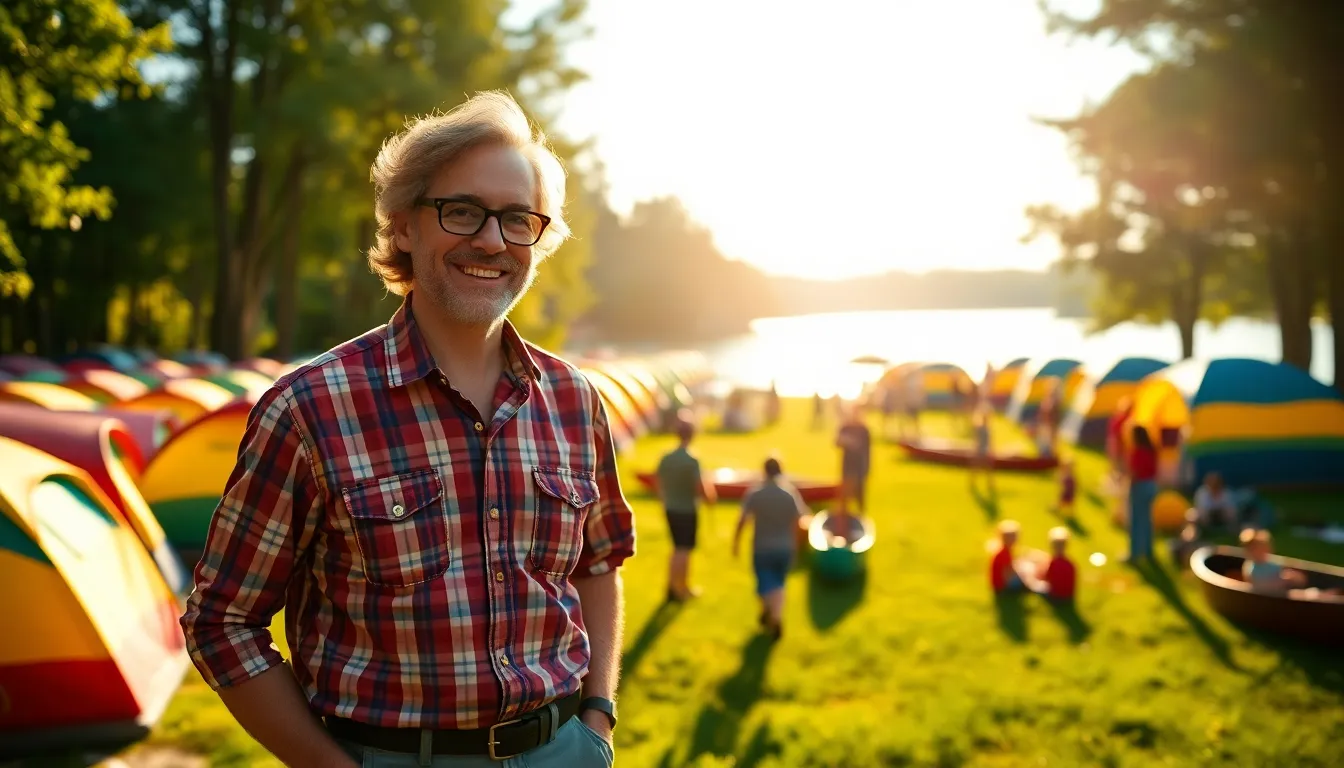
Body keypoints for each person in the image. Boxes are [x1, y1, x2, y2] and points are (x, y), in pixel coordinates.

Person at [180, 92, 632, 768]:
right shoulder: (309, 409)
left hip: (563, 749)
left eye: (517, 219)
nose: (491, 240)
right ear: (403, 227)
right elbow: (221, 623)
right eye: (462, 211)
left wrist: (597, 718)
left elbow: (598, 563)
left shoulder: (574, 400)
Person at [732, 457, 811, 640]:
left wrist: (736, 543)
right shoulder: (789, 493)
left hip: (762, 547)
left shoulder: (755, 493)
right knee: (778, 583)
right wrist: (798, 545)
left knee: (765, 583)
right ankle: (772, 613)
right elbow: (799, 520)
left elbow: (743, 520)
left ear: (764, 471)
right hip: (784, 547)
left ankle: (772, 614)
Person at [656, 418, 717, 601]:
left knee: (676, 548)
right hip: (687, 509)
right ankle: (680, 588)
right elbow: (700, 487)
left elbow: (658, 481)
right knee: (684, 550)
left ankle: (672, 585)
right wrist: (710, 498)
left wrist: (664, 500)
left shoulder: (667, 457)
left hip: (670, 508)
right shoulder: (692, 460)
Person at [1126, 424, 1159, 563]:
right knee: (1147, 520)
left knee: (1136, 520)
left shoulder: (1138, 451)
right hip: (1151, 485)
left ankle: (1134, 553)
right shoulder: (1152, 450)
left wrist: (1129, 487)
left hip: (1140, 486)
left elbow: (1135, 472)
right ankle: (1148, 551)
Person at [835, 404, 872, 515]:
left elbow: (867, 450)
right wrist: (847, 442)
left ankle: (861, 517)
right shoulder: (845, 427)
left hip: (859, 466)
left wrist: (867, 467)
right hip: (847, 465)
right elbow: (837, 442)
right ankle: (844, 518)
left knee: (860, 494)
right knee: (845, 494)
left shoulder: (863, 430)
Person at [1036, 527, 1076, 602]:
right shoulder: (1070, 563)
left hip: (1055, 595)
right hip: (1068, 595)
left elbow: (1044, 577)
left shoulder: (1053, 563)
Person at [989, 519, 1025, 593]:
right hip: (1001, 584)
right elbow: (1008, 573)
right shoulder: (1004, 554)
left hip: (998, 582)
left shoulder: (1004, 550)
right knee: (1026, 576)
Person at [969, 403, 996, 496]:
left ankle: (989, 484)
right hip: (980, 451)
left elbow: (990, 441)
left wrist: (992, 450)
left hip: (985, 451)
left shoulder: (988, 429)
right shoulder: (980, 428)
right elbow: (977, 440)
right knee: (977, 467)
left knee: (988, 468)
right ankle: (973, 482)